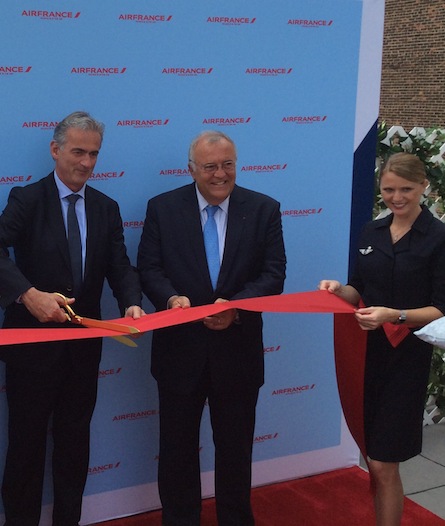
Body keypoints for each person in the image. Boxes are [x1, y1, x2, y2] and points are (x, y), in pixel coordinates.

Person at [0, 111, 143, 526]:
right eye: (78, 152)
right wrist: (28, 295)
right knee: (25, 451)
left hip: (83, 354)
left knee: (74, 450)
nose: (86, 162)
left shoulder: (106, 208)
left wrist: (131, 303)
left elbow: (119, 266)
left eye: (94, 154)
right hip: (31, 353)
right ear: (55, 149)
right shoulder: (27, 200)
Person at [137, 130, 286, 526]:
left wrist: (235, 308)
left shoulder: (264, 209)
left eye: (228, 164)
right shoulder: (162, 208)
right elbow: (149, 269)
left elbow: (274, 275)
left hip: (237, 352)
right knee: (177, 454)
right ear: (191, 169)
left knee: (236, 454)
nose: (221, 174)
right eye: (210, 167)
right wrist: (171, 299)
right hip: (179, 352)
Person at [319, 152, 445, 526]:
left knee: (382, 463)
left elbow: (441, 308)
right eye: (389, 190)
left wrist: (395, 315)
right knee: (374, 455)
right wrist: (338, 290)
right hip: (365, 355)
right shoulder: (371, 231)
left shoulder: (438, 237)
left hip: (407, 358)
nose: (397, 197)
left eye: (406, 189)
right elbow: (358, 287)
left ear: (424, 186)